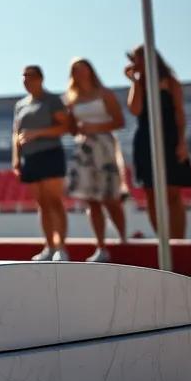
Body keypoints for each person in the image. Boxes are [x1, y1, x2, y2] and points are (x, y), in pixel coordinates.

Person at [126, 45, 191, 238]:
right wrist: (135, 81)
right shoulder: (139, 83)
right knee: (151, 193)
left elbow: (180, 113)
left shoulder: (170, 82)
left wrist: (182, 142)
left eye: (138, 58)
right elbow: (135, 110)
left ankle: (178, 241)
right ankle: (162, 241)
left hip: (169, 138)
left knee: (172, 193)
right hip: (145, 141)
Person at [63, 58, 127, 262]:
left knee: (111, 198)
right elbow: (72, 129)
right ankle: (100, 246)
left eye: (82, 69)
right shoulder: (71, 99)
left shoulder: (104, 93)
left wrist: (95, 128)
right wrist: (71, 121)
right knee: (91, 200)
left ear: (91, 71)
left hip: (105, 147)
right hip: (85, 150)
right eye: (75, 70)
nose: (79, 73)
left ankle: (123, 239)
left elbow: (120, 121)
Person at [12, 65, 71, 262]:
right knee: (42, 204)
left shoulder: (52, 100)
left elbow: (65, 126)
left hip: (50, 153)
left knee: (54, 200)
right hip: (30, 157)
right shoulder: (20, 105)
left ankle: (61, 247)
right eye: (24, 76)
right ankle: (49, 246)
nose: (26, 80)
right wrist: (16, 158)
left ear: (40, 78)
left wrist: (37, 133)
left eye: (30, 76)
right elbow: (16, 133)